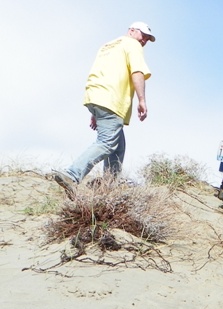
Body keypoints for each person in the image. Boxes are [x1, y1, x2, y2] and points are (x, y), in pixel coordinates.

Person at [52, 22, 155, 195]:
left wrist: (95, 111)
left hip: (97, 97)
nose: (144, 40)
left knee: (118, 146)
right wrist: (142, 100)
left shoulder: (108, 46)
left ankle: (107, 187)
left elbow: (103, 73)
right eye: (143, 35)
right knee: (107, 143)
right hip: (111, 100)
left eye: (147, 39)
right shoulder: (132, 45)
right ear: (131, 31)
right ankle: (72, 174)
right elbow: (137, 72)